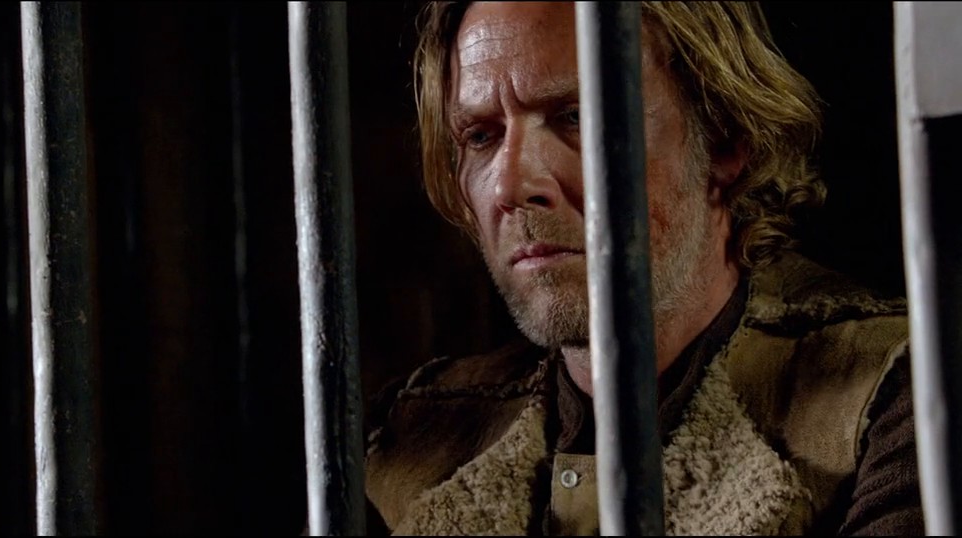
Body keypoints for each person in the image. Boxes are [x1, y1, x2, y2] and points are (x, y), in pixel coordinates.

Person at [363, 1, 923, 535]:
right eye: (481, 136)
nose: (511, 185)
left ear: (725, 137)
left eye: (576, 117)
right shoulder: (411, 436)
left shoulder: (893, 394)